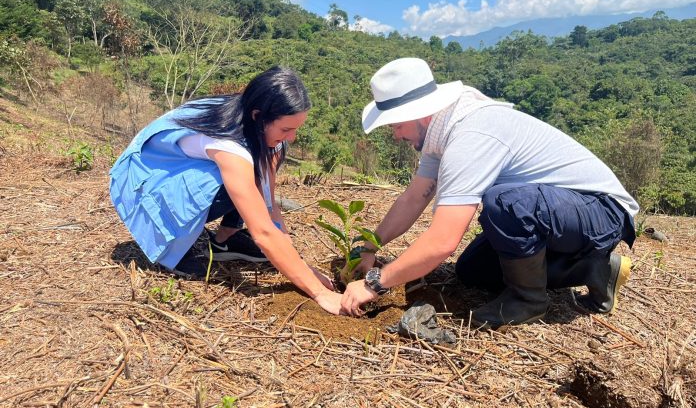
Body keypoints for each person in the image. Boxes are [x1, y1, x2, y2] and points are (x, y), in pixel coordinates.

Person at [341, 58, 637, 328]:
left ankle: (529, 301)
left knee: (506, 202)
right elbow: (414, 196)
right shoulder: (439, 131)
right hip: (558, 214)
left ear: (421, 114)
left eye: (397, 125)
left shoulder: (471, 135)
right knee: (472, 270)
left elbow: (443, 240)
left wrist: (374, 284)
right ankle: (591, 268)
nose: (396, 135)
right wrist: (369, 247)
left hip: (600, 211)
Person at [110, 66, 342, 315]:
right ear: (258, 116)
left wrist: (303, 268)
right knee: (234, 179)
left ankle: (225, 240)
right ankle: (176, 250)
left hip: (175, 167)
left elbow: (268, 204)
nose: (292, 137)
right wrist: (319, 293)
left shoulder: (253, 122)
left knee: (253, 177)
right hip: (144, 180)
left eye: (296, 129)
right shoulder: (229, 144)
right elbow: (263, 231)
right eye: (286, 129)